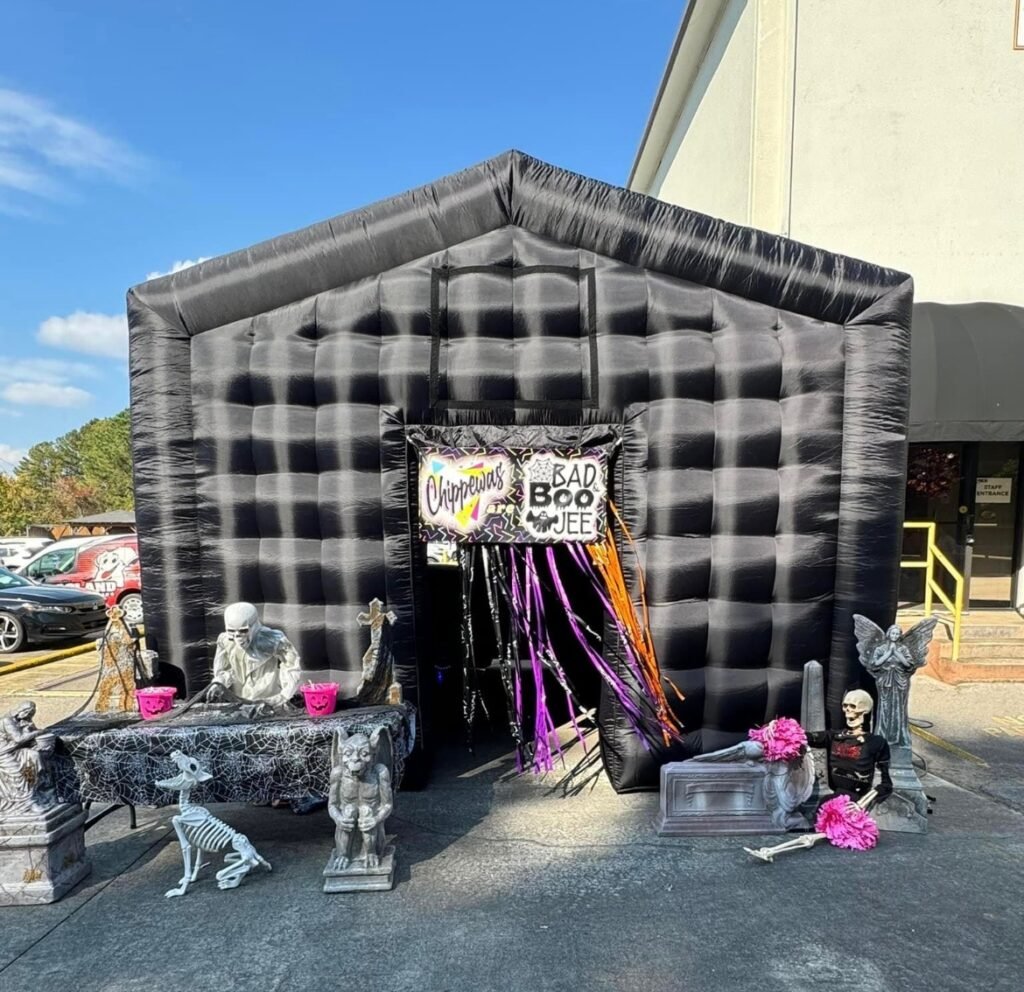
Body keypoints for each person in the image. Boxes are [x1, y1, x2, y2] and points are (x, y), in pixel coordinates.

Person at [207, 602, 301, 711]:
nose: (238, 637)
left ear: (254, 626)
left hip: (271, 700)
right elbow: (226, 670)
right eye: (231, 631)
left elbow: (291, 666)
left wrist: (284, 696)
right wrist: (219, 683)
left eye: (243, 631)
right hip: (244, 700)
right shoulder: (225, 641)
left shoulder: (273, 640)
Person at [808, 689, 892, 805]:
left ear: (865, 710)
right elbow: (809, 737)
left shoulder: (876, 742)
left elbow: (886, 784)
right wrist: (788, 733)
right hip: (836, 798)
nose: (848, 710)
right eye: (845, 706)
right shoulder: (835, 736)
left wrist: (861, 804)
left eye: (853, 706)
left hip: (857, 800)